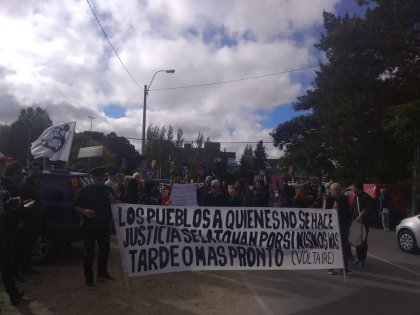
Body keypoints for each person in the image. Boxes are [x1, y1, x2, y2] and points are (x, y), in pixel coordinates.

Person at [74, 167, 117, 289]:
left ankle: (102, 273)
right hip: (89, 227)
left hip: (104, 226)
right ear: (91, 178)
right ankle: (89, 279)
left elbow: (115, 204)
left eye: (101, 176)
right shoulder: (84, 190)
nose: (99, 179)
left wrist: (113, 200)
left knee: (105, 251)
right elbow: (75, 206)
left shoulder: (108, 189)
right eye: (96, 177)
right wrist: (84, 211)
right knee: (89, 253)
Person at [0, 161, 25, 305]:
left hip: (6, 230)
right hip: (5, 231)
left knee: (7, 264)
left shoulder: (4, 187)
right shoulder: (8, 188)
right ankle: (12, 293)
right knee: (6, 263)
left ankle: (13, 292)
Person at [18, 161, 44, 275]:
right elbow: (22, 203)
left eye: (37, 169)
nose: (35, 171)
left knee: (30, 245)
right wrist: (23, 219)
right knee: (24, 245)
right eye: (33, 169)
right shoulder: (26, 183)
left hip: (36, 219)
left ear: (40, 171)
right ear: (29, 169)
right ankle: (22, 269)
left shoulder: (37, 183)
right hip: (28, 219)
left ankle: (27, 268)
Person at [325, 183, 353, 275]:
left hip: (344, 225)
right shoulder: (328, 199)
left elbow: (349, 211)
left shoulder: (344, 199)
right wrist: (333, 210)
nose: (338, 191)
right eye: (336, 190)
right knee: (333, 246)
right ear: (331, 190)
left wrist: (348, 222)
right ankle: (330, 267)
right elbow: (325, 213)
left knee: (344, 246)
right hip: (333, 226)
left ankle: (344, 267)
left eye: (339, 190)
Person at [351, 181, 375, 268]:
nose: (352, 189)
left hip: (363, 223)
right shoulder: (356, 197)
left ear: (357, 188)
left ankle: (362, 260)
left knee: (363, 242)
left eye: (353, 187)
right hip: (356, 223)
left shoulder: (366, 197)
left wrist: (362, 217)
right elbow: (353, 209)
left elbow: (369, 209)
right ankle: (358, 257)